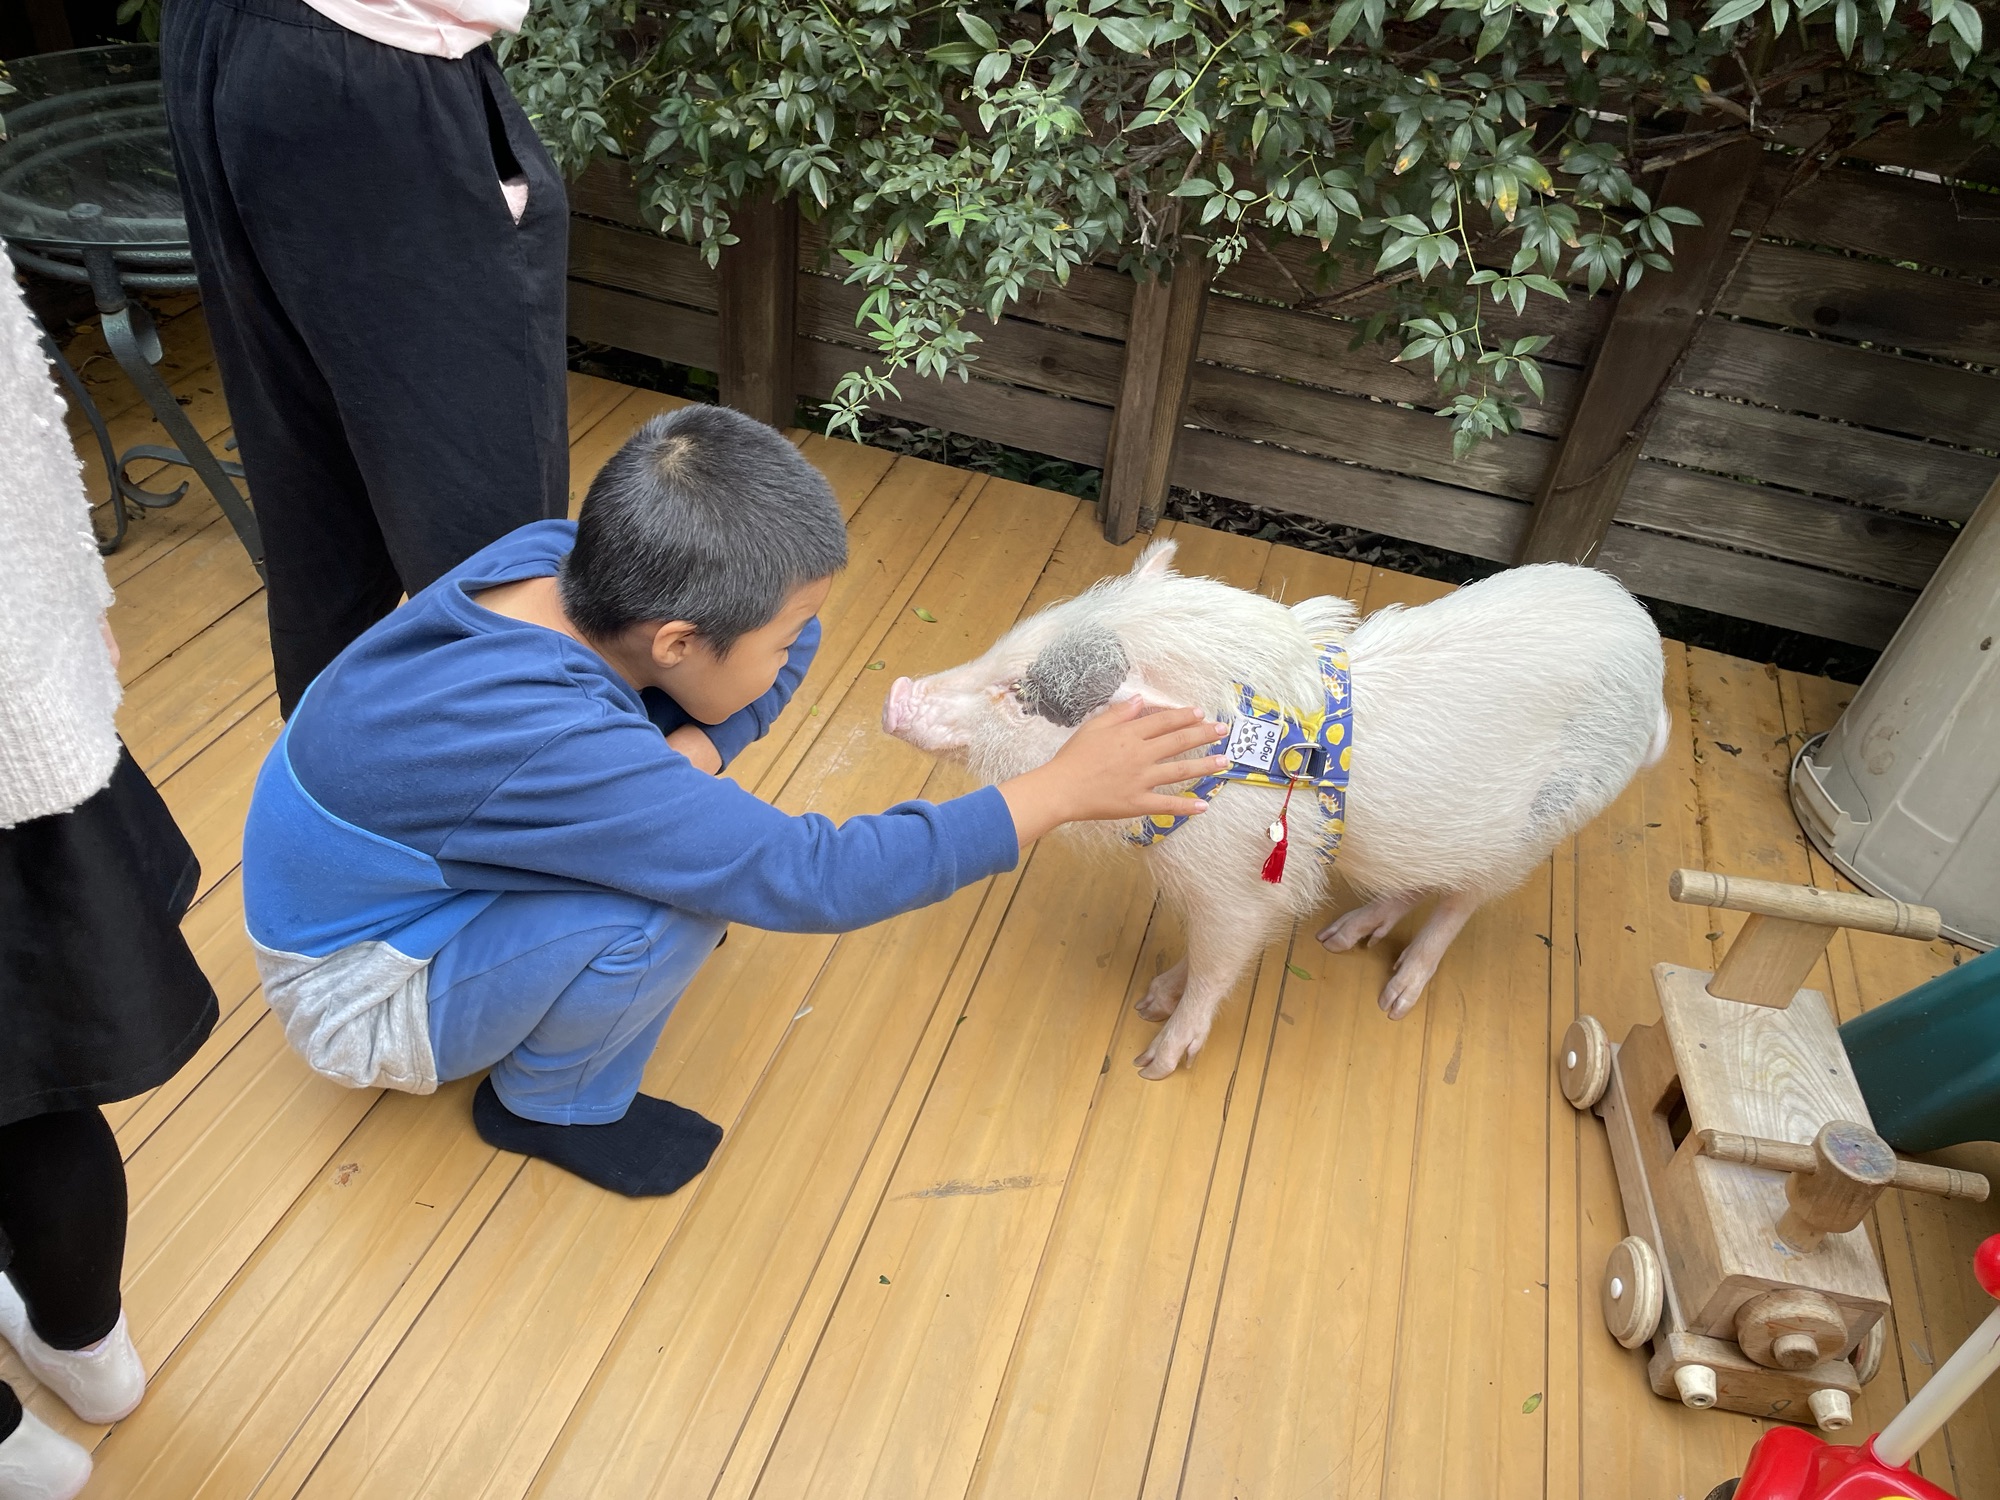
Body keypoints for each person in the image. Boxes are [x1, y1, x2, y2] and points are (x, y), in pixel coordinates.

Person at [243, 403, 1230, 1196]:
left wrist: (702, 745)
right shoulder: (554, 746)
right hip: (356, 990)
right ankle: (552, 1104)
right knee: (667, 904)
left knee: (693, 799)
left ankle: (593, 931)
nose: (797, 647)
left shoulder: (563, 557)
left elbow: (770, 648)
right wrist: (1053, 791)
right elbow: (811, 877)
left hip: (407, 876)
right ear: (673, 640)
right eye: (777, 634)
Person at [160, 0, 567, 716]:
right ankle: (498, 811)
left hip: (223, 37)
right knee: (491, 566)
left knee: (311, 490)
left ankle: (327, 811)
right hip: (373, 55)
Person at [0, 266, 219, 1499]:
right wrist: (75, 603)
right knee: (39, 1092)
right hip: (12, 722)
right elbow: (15, 417)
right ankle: (90, 1353)